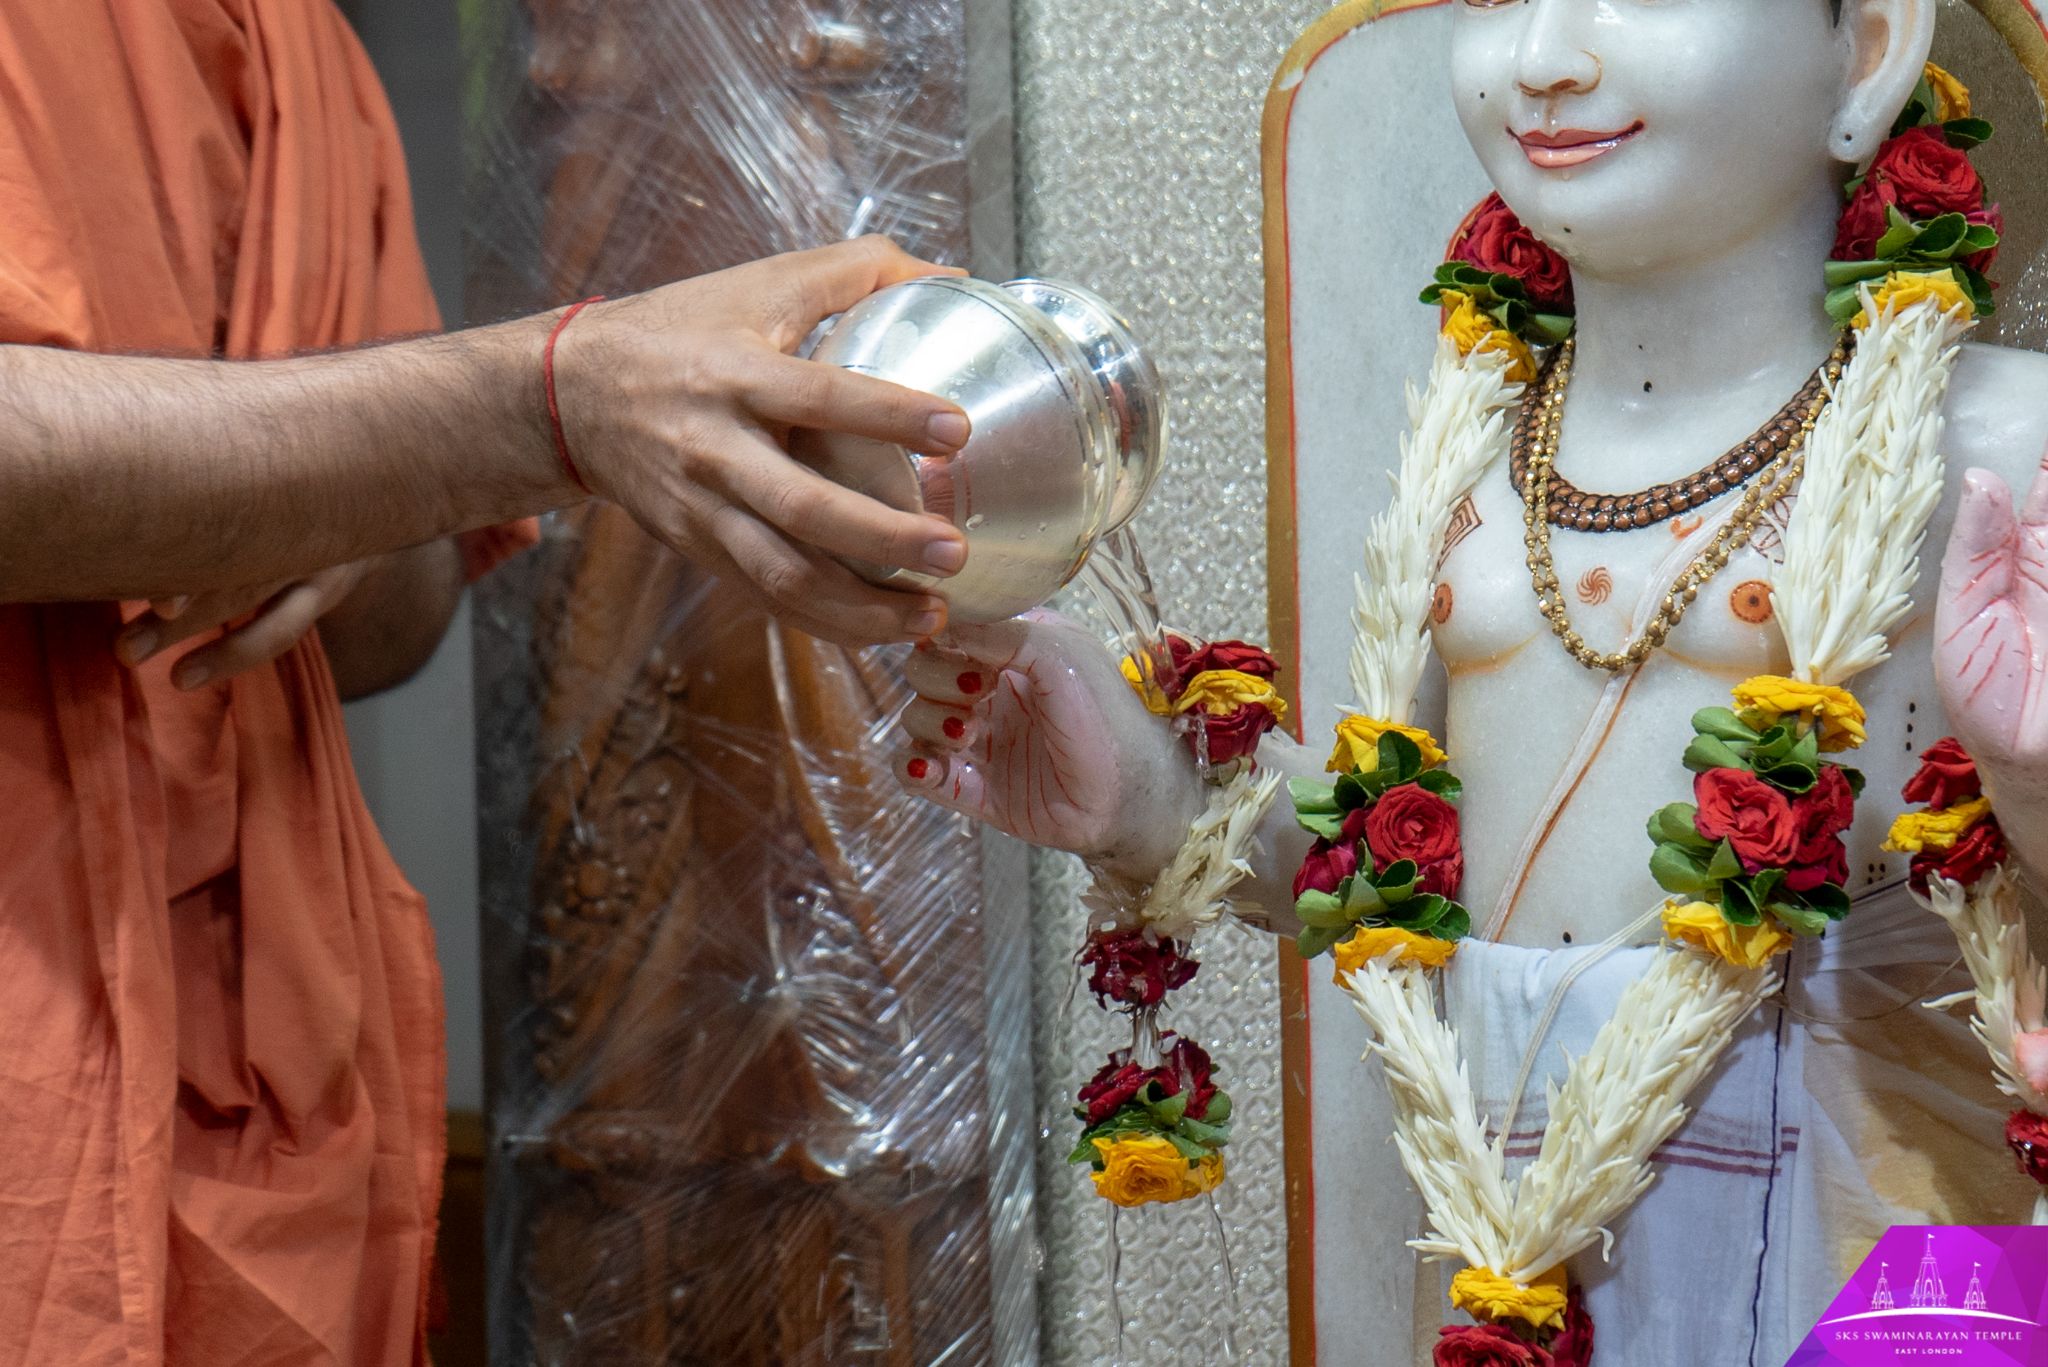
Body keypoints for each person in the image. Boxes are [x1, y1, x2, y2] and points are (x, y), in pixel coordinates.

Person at [897, 0, 2048, 1362]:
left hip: (1875, 1272)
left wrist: (2030, 778)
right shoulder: (1471, 446)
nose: (1546, 54)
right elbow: (1408, 883)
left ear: (1865, 53)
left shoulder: (2001, 450)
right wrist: (1149, 791)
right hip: (1519, 1255)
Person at [0, 3, 967, 1363]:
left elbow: (383, 628)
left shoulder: (302, 47)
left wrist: (316, 477)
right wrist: (524, 408)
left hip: (268, 1076)